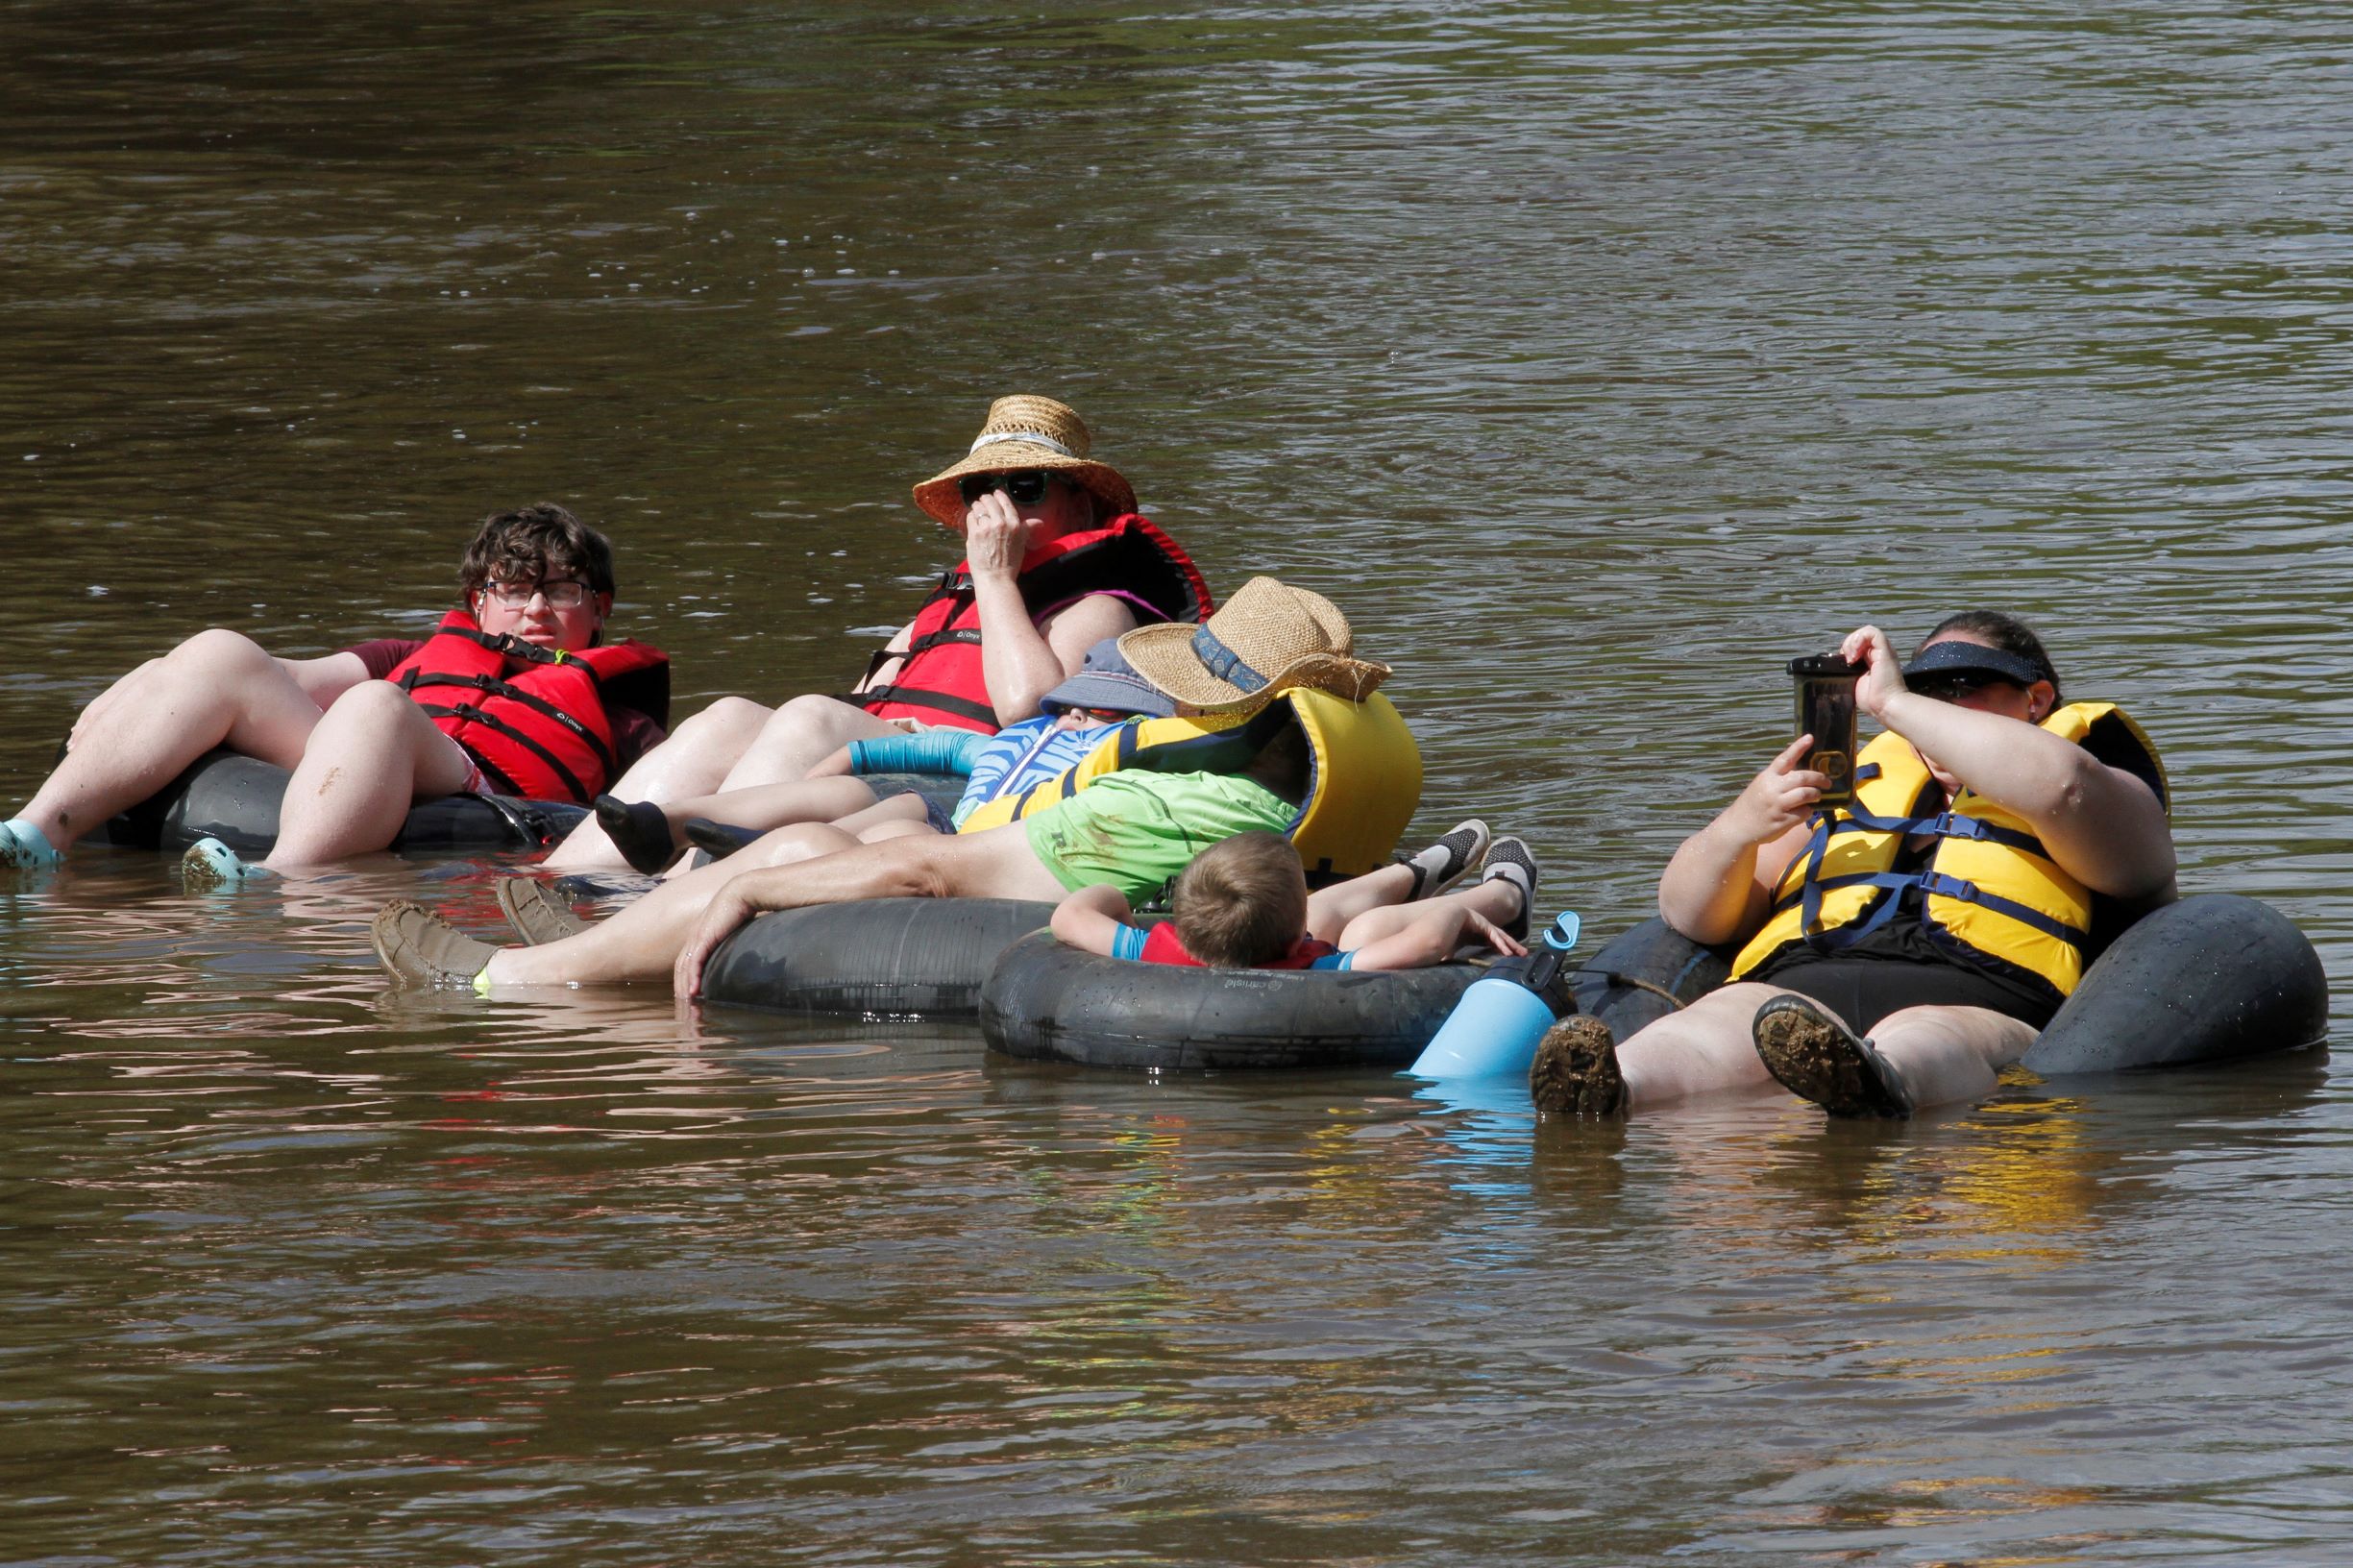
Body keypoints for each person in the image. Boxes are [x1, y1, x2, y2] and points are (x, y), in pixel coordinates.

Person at [372, 577, 1417, 995]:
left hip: (979, 925)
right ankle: (594, 957)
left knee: (781, 860)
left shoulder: (1181, 802)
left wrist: (748, 892)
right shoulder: (1267, 795)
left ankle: (497, 986)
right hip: (1010, 887)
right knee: (802, 845)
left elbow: (928, 872)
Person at [1531, 611, 2173, 1119]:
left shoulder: (2099, 783)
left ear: (2035, 700)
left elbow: (2056, 786)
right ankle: (1609, 1089)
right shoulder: (1851, 788)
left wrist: (1894, 703)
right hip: (1802, 987)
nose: (1939, 706)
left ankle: (1876, 1083)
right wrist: (1741, 826)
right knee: (1710, 1026)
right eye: (1924, 687)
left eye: (1963, 686)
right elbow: (1688, 914)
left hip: (1978, 992)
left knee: (1922, 1035)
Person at [538, 395, 1211, 871]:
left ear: (1081, 504)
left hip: (970, 781)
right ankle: (571, 881)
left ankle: (670, 890)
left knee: (807, 715)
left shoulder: (1098, 605)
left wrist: (997, 580)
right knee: (729, 715)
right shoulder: (953, 600)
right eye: (983, 489)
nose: (999, 505)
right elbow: (872, 695)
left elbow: (1024, 713)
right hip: (877, 758)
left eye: (1026, 486)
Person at [0, 504, 669, 874]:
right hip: (364, 770)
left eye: (561, 591)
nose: (535, 610)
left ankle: (275, 881)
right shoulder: (412, 655)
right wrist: (134, 692)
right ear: (477, 599)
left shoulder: (622, 717)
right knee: (220, 649)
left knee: (375, 702)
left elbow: (639, 820)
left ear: (599, 608)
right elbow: (280, 676)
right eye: (515, 589)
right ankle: (37, 833)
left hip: (488, 802)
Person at [587, 637, 1177, 875]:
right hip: (949, 823)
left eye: (1101, 710)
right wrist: (849, 757)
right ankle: (663, 825)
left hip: (988, 849)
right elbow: (936, 746)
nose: (1076, 715)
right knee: (857, 794)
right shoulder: (1008, 742)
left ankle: (766, 853)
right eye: (1073, 703)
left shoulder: (1121, 757)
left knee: (904, 814)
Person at [1051, 825, 1538, 972]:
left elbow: (1070, 915)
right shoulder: (1314, 970)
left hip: (1227, 948)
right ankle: (1504, 898)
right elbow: (1429, 945)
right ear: (1292, 945)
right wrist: (1458, 912)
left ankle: (1411, 874)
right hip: (1314, 977)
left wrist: (1115, 898)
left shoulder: (1154, 950)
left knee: (1324, 913)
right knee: (1361, 931)